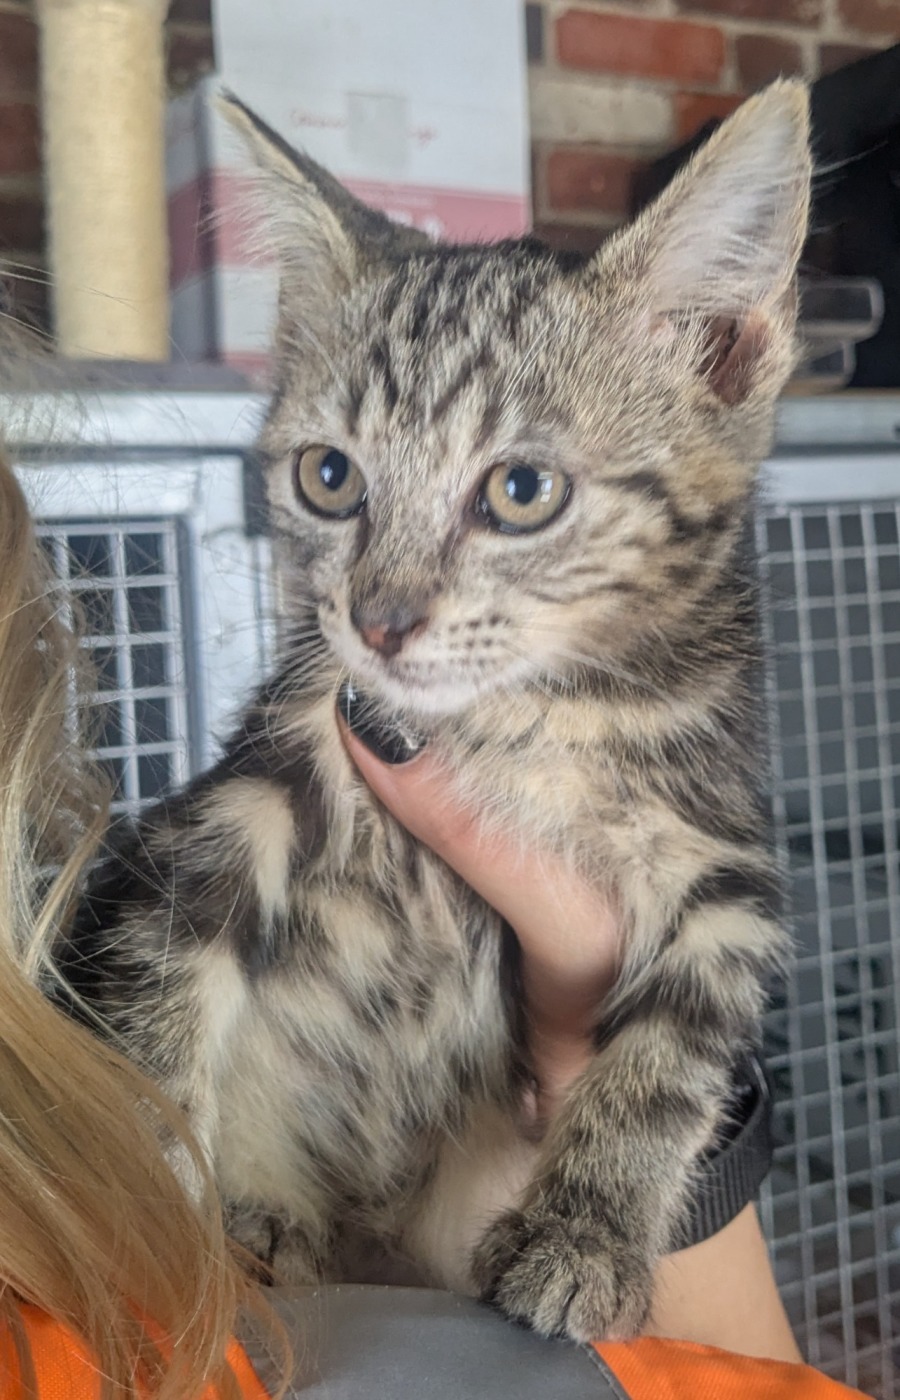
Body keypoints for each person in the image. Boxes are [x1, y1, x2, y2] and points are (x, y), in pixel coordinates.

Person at [0, 443, 868, 1398]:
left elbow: (716, 927)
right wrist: (158, 1183)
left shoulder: (674, 694)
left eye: (521, 491)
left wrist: (601, 1189)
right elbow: (198, 886)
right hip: (259, 1176)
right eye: (335, 480)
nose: (384, 610)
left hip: (458, 1197)